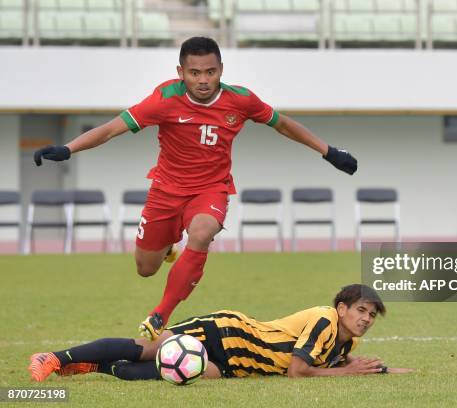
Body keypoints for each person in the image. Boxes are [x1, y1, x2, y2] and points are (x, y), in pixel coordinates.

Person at [33, 37, 358, 341]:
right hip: (165, 191)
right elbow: (110, 129)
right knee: (146, 268)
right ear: (181, 73)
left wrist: (328, 151)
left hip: (211, 190)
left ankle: (161, 314)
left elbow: (284, 124)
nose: (203, 79)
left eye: (210, 72)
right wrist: (68, 148)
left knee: (201, 233)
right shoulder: (163, 100)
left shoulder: (240, 100)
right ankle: (170, 247)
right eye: (195, 72)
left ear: (221, 70)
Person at [29, 284, 412, 381]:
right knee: (149, 349)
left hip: (238, 365)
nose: (366, 319)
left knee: (166, 374)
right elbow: (298, 371)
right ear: (342, 307)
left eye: (372, 314)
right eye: (361, 310)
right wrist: (346, 372)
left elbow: (333, 361)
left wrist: (383, 370)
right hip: (226, 334)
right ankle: (54, 358)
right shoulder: (326, 318)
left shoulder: (349, 339)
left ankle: (92, 368)